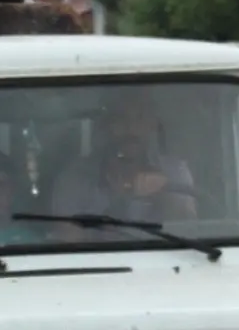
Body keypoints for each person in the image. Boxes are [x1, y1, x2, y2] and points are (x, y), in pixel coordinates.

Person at [48, 90, 196, 238]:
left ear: (152, 125)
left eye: (140, 119)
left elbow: (191, 231)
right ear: (106, 125)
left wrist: (165, 197)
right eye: (121, 119)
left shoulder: (174, 172)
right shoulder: (74, 179)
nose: (131, 129)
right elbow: (68, 241)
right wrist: (118, 204)